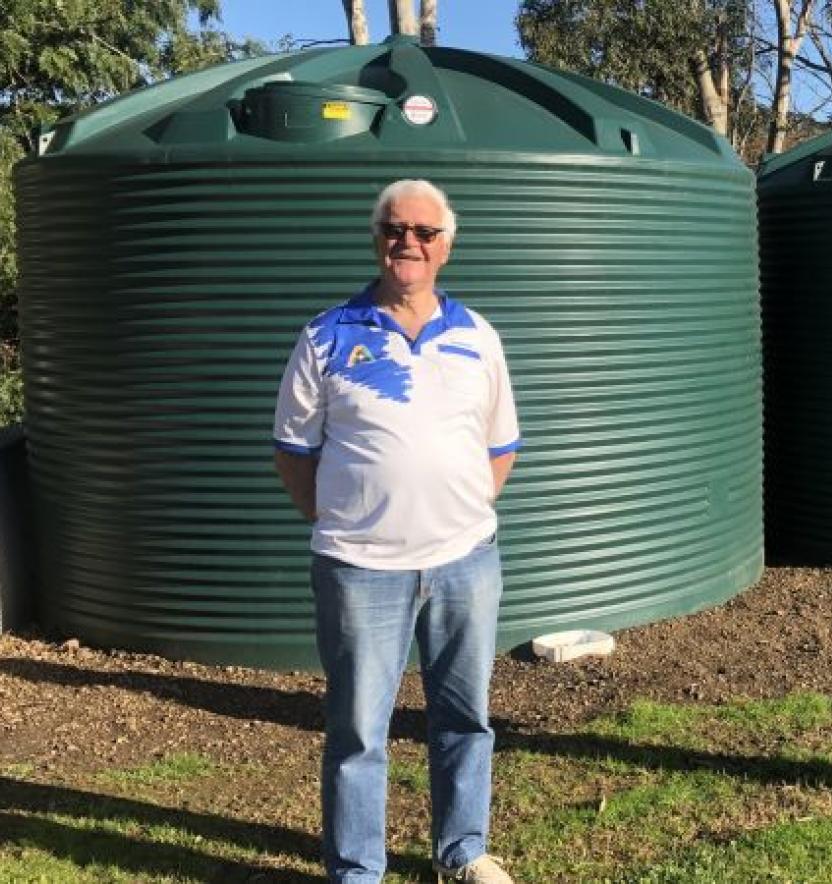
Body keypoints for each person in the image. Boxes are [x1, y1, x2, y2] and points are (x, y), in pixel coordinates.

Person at [273, 179, 521, 883]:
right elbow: (293, 453)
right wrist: (341, 518)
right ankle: (357, 871)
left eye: (424, 232)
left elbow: (501, 448)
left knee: (465, 719)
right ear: (376, 237)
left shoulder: (477, 336)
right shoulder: (325, 335)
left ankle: (464, 853)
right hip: (359, 568)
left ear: (448, 244)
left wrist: (458, 507)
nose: (407, 242)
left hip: (466, 562)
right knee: (358, 733)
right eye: (394, 228)